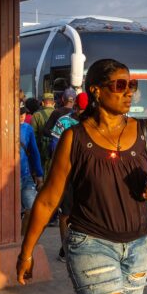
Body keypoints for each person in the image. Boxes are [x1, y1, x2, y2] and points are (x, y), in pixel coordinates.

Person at [17, 59, 147, 294]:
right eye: (120, 85)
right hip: (92, 244)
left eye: (132, 85)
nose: (129, 91)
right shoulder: (75, 138)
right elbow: (49, 199)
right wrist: (26, 252)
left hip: (139, 247)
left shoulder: (145, 131)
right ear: (96, 90)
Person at [49, 91, 89, 261]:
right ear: (75, 106)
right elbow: (54, 148)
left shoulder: (93, 122)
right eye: (80, 109)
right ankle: (65, 248)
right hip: (68, 176)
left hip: (87, 177)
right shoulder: (63, 122)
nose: (82, 113)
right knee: (65, 214)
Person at [19, 103, 44, 213]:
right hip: (9, 178)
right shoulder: (4, 128)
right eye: (19, 112)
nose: (22, 115)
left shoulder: (28, 128)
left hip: (26, 174)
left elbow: (34, 152)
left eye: (23, 112)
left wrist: (39, 174)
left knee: (31, 209)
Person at [32, 93, 56, 174]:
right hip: (56, 150)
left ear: (42, 103)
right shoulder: (59, 113)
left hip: (41, 151)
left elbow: (33, 135)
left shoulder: (37, 115)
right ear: (54, 103)